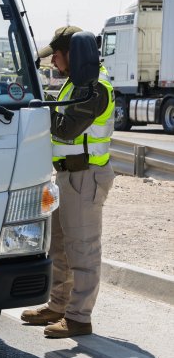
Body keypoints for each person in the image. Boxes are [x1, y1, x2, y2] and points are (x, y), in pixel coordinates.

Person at [21, 26, 115, 338]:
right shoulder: (75, 84)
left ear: (74, 53)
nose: (53, 63)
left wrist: (37, 103)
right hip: (66, 176)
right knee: (59, 245)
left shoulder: (94, 87)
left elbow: (65, 129)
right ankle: (58, 305)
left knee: (83, 249)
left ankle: (78, 318)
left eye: (57, 56)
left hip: (84, 176)